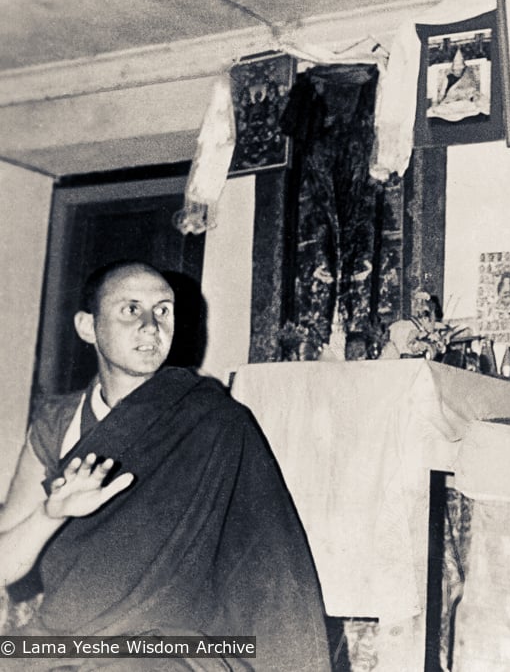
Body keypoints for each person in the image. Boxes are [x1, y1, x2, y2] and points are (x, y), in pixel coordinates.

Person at [0, 261, 330, 670]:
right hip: (61, 642)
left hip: (166, 648)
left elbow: (270, 569)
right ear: (87, 327)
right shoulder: (57, 423)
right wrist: (51, 513)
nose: (151, 325)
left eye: (163, 310)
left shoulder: (215, 420)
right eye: (130, 309)